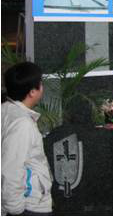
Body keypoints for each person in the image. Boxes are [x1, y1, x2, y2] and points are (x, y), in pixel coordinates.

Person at [2, 62, 53, 216]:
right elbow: (11, 168)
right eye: (41, 84)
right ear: (32, 92)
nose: (42, 87)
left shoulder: (6, 111)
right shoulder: (22, 124)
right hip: (28, 206)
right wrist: (15, 208)